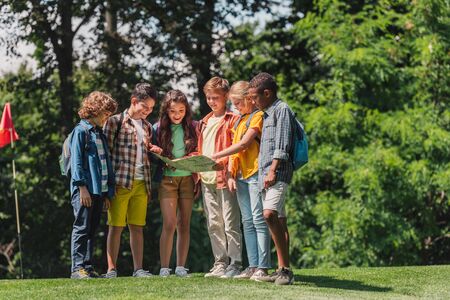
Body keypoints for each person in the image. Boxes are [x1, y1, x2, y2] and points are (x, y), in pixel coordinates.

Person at [212, 81, 271, 280]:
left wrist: (216, 155)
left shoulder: (258, 116)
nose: (236, 107)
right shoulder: (239, 119)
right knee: (247, 221)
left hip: (255, 173)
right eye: (234, 103)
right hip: (241, 176)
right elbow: (235, 151)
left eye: (238, 102)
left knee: (258, 220)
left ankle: (263, 267)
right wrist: (230, 173)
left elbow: (244, 144)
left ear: (249, 98)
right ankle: (252, 265)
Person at [103, 83, 159, 278]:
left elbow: (146, 154)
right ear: (134, 101)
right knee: (116, 226)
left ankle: (138, 269)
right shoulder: (114, 122)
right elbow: (106, 156)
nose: (148, 111)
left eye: (151, 108)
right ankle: (111, 269)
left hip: (142, 184)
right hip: (120, 183)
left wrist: (154, 151)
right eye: (145, 107)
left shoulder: (148, 127)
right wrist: (106, 189)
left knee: (137, 227)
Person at [247, 72, 296, 285]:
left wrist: (272, 171)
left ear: (267, 93)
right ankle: (282, 268)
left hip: (278, 173)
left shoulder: (282, 110)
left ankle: (285, 271)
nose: (251, 101)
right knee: (280, 221)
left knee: (268, 215)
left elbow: (282, 145)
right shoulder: (266, 113)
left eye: (254, 97)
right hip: (266, 174)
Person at [69, 91, 117, 279]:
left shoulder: (99, 133)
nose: (107, 118)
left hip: (99, 190)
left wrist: (106, 193)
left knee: (92, 228)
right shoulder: (81, 131)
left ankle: (87, 267)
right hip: (84, 191)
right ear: (95, 110)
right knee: (81, 227)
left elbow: (105, 164)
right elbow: (77, 163)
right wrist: (81, 187)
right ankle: (77, 268)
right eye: (105, 113)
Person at [198, 76, 242, 278]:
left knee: (230, 222)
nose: (211, 101)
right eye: (208, 97)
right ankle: (220, 263)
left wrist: (231, 172)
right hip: (206, 179)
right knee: (214, 222)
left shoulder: (233, 119)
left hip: (225, 177)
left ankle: (236, 263)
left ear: (226, 97)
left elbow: (236, 151)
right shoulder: (205, 122)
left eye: (216, 97)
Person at [152, 90, 198, 277]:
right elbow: (152, 155)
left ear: (186, 110)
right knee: (169, 223)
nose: (177, 114)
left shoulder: (193, 127)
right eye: (173, 111)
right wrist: (157, 152)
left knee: (184, 223)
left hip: (188, 179)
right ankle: (164, 267)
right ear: (166, 111)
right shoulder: (157, 128)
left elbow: (199, 151)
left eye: (181, 110)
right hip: (167, 179)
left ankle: (180, 267)